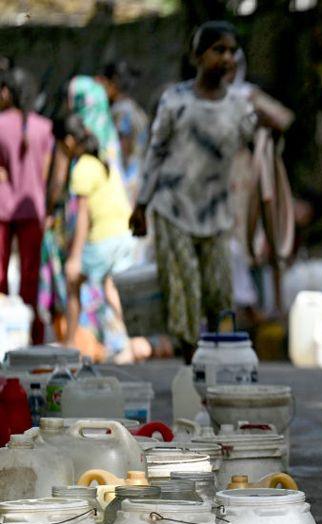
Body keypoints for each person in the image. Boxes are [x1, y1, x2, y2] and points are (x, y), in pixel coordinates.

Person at [130, 21, 261, 362]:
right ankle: (191, 365)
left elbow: (262, 142)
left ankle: (219, 363)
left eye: (233, 51)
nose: (227, 58)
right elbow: (156, 151)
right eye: (219, 50)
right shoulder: (176, 101)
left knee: (219, 293)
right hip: (174, 208)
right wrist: (142, 205)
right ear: (198, 56)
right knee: (184, 292)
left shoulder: (240, 106)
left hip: (216, 213)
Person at [54, 115, 135, 348]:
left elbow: (82, 215)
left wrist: (75, 257)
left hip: (103, 239)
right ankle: (132, 341)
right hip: (122, 234)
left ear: (68, 142)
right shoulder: (101, 161)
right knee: (111, 289)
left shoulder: (82, 168)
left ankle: (70, 344)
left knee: (72, 282)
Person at [0, 68, 53, 344]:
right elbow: (46, 175)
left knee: (0, 274)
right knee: (30, 276)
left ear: (7, 92)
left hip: (3, 209)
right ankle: (32, 336)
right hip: (33, 208)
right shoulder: (44, 127)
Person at [100, 62, 149, 203]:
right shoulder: (138, 111)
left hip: (125, 182)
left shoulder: (121, 112)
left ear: (112, 84)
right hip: (138, 179)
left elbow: (123, 149)